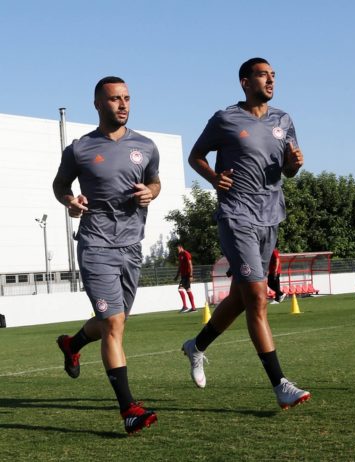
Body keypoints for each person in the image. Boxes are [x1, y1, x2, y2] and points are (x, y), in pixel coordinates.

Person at [182, 57, 311, 409]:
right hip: (236, 214)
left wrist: (294, 165)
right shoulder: (225, 119)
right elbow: (195, 156)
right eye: (262, 75)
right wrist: (213, 177)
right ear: (244, 82)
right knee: (257, 297)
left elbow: (288, 169)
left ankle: (196, 346)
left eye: (273, 76)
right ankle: (280, 384)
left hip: (271, 216)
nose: (270, 81)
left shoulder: (284, 120)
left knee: (241, 297)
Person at [52, 76, 160, 434]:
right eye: (115, 99)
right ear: (98, 104)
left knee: (114, 321)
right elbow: (60, 185)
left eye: (127, 97)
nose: (123, 104)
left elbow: (155, 181)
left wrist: (151, 192)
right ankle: (129, 409)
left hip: (132, 246)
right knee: (113, 324)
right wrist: (71, 201)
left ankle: (72, 343)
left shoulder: (146, 146)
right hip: (96, 244)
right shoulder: (80, 149)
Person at [173, 243, 196, 312]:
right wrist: (177, 275)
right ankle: (193, 308)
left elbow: (190, 264)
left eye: (177, 249)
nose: (176, 251)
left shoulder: (186, 253)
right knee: (188, 290)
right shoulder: (180, 255)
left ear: (180, 247)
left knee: (180, 289)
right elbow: (180, 266)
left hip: (187, 275)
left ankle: (185, 306)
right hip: (183, 276)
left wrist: (191, 275)